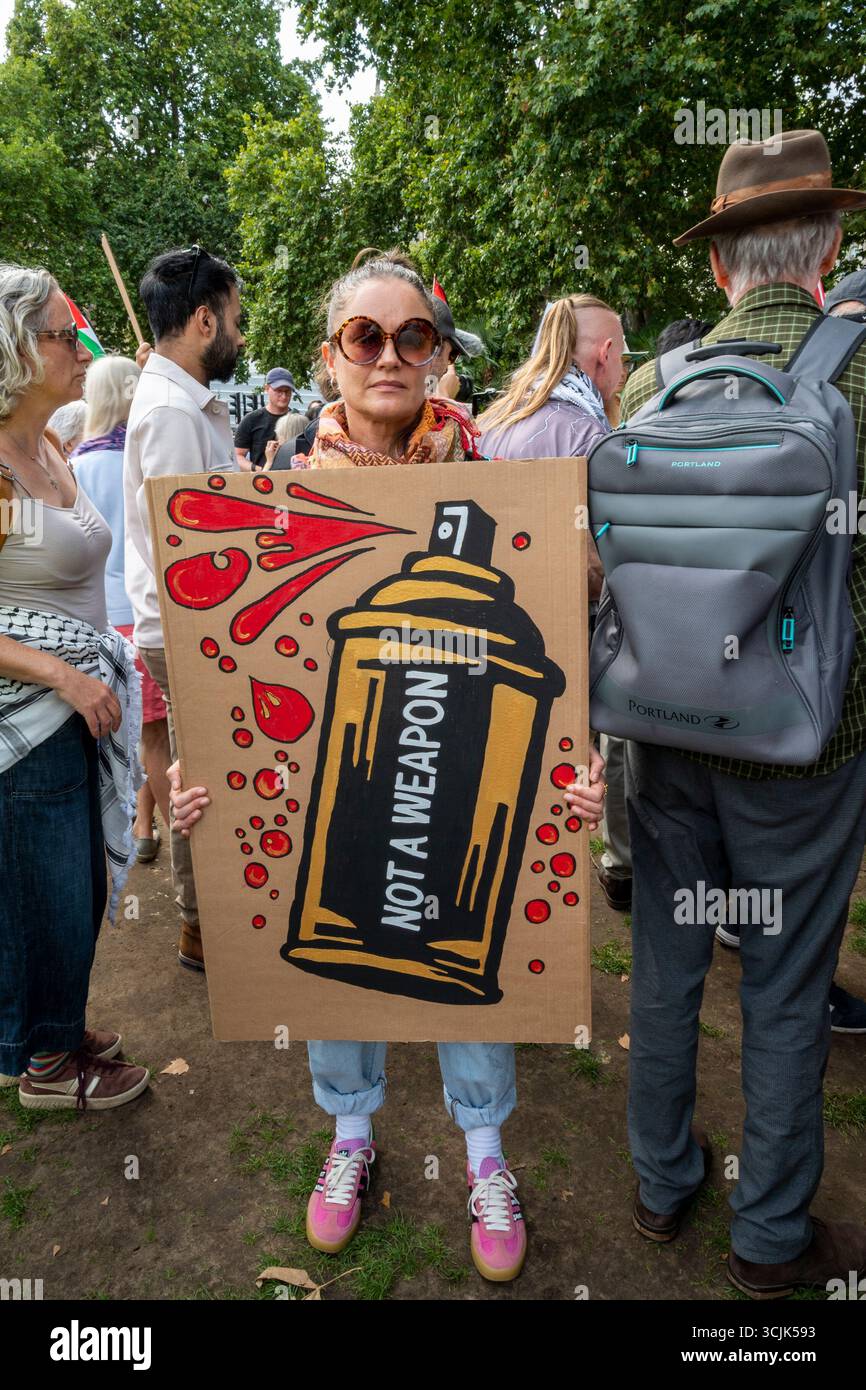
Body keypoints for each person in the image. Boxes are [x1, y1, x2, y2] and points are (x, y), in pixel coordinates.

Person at [167, 251, 607, 1282]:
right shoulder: (285, 496)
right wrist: (213, 782)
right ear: (330, 357)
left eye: (414, 336)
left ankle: (484, 1151)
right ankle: (352, 1135)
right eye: (366, 336)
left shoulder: (506, 486)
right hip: (349, 768)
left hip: (466, 759)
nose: (390, 356)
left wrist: (568, 768)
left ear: (439, 355)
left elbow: (563, 621)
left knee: (466, 917)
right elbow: (247, 686)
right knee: (335, 909)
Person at [618, 129, 866, 1298]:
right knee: (780, 979)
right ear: (829, 249)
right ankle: (768, 1234)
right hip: (803, 747)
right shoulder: (856, 370)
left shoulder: (645, 385)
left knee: (666, 961)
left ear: (719, 266)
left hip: (663, 732)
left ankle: (661, 1181)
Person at [0, 262, 149, 1108]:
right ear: (17, 347)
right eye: (65, 333)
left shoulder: (47, 446)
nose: (82, 347)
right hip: (29, 714)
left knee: (80, 878)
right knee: (49, 890)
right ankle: (47, 1069)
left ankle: (54, 1022)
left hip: (78, 703)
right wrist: (62, 673)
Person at [124, 245, 245, 971]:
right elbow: (192, 550)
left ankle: (207, 923)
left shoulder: (180, 401)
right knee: (203, 777)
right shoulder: (172, 412)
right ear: (204, 320)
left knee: (202, 769)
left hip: (189, 625)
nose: (240, 334)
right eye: (234, 318)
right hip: (189, 627)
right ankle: (204, 925)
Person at [71, 354, 171, 866]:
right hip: (147, 617)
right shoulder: (138, 458)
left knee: (132, 740)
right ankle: (178, 844)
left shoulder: (72, 468)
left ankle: (144, 826)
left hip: (97, 623)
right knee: (155, 738)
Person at [233, 367, 296, 470]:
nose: (284, 396)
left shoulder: (297, 420)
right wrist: (260, 470)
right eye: (279, 391)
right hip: (262, 482)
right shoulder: (251, 419)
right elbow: (238, 456)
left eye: (287, 391)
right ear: (266, 388)